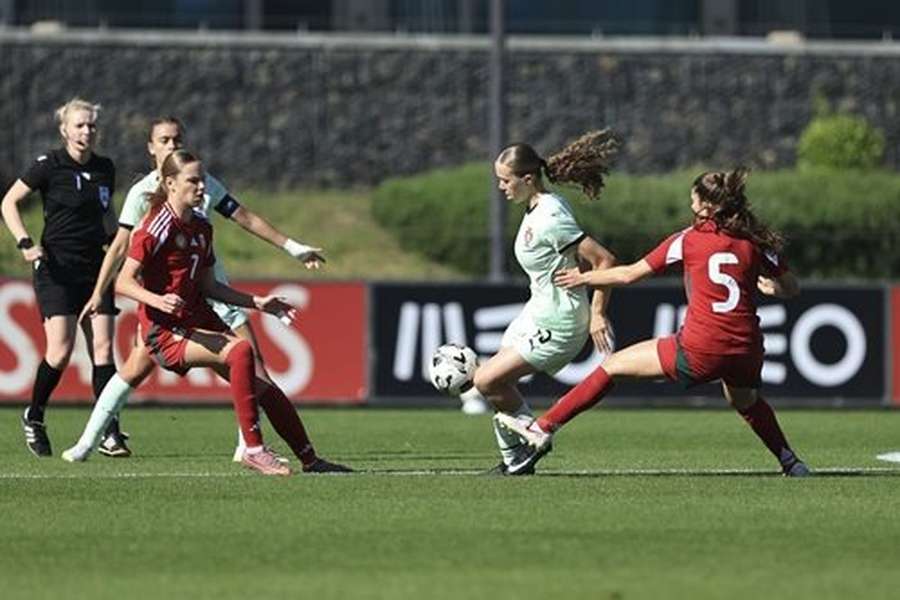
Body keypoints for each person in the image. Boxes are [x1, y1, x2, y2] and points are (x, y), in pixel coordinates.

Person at [497, 168, 810, 477]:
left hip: (702, 347)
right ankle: (791, 462)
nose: (691, 206)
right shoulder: (754, 240)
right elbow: (791, 288)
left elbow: (630, 273)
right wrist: (771, 287)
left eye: (693, 200)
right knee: (745, 400)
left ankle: (541, 427)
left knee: (612, 366)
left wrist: (585, 276)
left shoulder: (687, 240)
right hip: (747, 350)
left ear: (706, 207)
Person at [62, 116, 324, 462]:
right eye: (165, 140)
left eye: (177, 139)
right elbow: (122, 252)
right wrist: (103, 293)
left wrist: (279, 267)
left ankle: (302, 457)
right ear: (153, 151)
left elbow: (236, 230)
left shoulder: (200, 220)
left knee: (251, 371)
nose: (172, 145)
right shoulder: (148, 208)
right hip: (165, 318)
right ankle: (251, 447)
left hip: (201, 300)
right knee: (239, 356)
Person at [457, 130, 619, 476]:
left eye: (505, 181)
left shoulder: (551, 218)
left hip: (558, 323)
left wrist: (597, 314)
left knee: (486, 381)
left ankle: (535, 434)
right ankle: (517, 459)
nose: (501, 187)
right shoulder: (536, 206)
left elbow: (605, 260)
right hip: (537, 311)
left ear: (527, 179)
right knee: (492, 381)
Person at [1, 98, 124, 457]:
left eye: (91, 126)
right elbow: (8, 203)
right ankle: (35, 415)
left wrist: (118, 247)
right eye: (80, 125)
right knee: (61, 350)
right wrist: (25, 243)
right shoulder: (48, 165)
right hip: (57, 267)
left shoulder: (105, 168)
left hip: (95, 268)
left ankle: (109, 431)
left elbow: (107, 217)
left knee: (102, 348)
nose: (87, 131)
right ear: (65, 130)